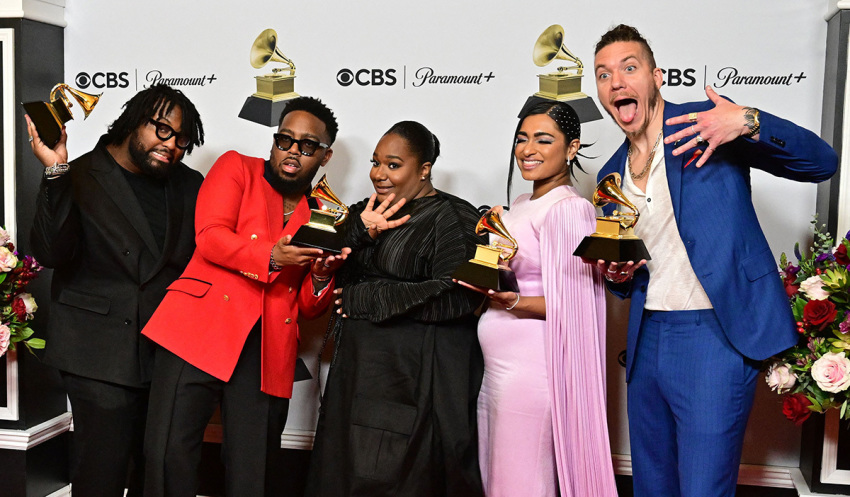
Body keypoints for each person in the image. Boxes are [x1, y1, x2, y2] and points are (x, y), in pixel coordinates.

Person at [592, 24, 838, 497]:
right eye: (604, 74)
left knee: (704, 488)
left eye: (629, 68)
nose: (616, 82)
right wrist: (619, 274)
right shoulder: (610, 175)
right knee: (651, 487)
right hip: (646, 343)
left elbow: (821, 163)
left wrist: (747, 120)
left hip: (712, 338)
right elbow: (626, 275)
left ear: (656, 76)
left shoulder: (705, 124)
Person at [140, 96, 347, 497]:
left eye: (307, 146)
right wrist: (272, 255)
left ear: (324, 156)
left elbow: (307, 305)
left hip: (266, 346)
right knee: (168, 452)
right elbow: (211, 238)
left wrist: (321, 277)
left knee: (254, 468)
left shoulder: (325, 212)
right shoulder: (237, 168)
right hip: (199, 330)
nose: (292, 152)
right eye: (285, 140)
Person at [27, 84, 205, 497]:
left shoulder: (189, 183)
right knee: (101, 473)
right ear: (133, 121)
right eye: (162, 130)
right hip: (97, 352)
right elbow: (51, 252)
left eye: (181, 139)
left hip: (165, 351)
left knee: (157, 471)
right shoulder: (81, 174)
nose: (171, 145)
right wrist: (55, 172)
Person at [305, 121, 486, 497]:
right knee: (344, 471)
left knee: (400, 476)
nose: (378, 174)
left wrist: (369, 297)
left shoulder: (451, 217)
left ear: (424, 169)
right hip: (356, 372)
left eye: (392, 164)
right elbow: (314, 243)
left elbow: (460, 294)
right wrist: (360, 230)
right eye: (375, 163)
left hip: (414, 376)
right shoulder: (363, 210)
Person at [458, 101, 616, 496]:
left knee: (521, 482)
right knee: (499, 478)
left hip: (531, 373)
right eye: (522, 138)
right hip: (497, 369)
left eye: (543, 140)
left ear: (572, 147)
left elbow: (575, 305)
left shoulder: (569, 209)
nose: (528, 149)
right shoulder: (523, 206)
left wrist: (510, 301)